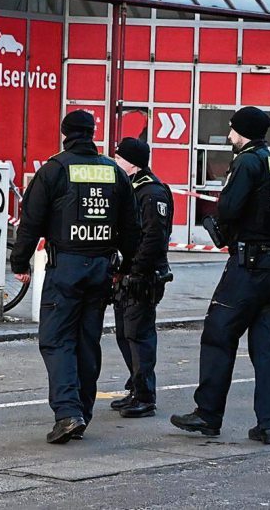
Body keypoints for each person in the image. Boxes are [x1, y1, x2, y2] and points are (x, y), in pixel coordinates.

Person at [171, 106, 270, 445]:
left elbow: (227, 208)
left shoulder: (246, 161)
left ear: (243, 132)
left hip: (248, 263)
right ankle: (269, 424)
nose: (229, 136)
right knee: (267, 347)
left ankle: (208, 414)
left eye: (231, 130)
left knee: (218, 333)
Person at [9, 110, 133, 444]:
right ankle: (83, 411)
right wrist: (124, 267)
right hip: (101, 268)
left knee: (56, 339)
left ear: (65, 133)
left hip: (66, 267)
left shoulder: (54, 169)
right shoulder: (113, 171)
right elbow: (132, 226)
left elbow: (31, 221)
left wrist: (19, 262)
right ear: (92, 133)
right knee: (87, 342)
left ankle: (68, 413)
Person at [109, 136, 173, 420]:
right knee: (125, 333)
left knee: (139, 335)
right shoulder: (131, 188)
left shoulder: (151, 192)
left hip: (143, 277)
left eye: (119, 158)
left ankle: (145, 396)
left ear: (132, 164)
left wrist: (136, 270)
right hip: (127, 274)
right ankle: (136, 387)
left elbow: (154, 237)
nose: (115, 162)